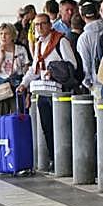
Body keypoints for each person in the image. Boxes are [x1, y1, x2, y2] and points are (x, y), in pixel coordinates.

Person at [17, 14, 81, 167]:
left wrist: (54, 71)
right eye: (36, 25)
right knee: (47, 127)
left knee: (62, 127)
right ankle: (54, 158)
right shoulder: (39, 44)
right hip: (44, 91)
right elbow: (34, 70)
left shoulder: (60, 41)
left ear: (49, 25)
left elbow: (72, 65)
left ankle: (66, 160)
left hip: (60, 91)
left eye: (42, 24)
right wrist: (24, 84)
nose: (39, 28)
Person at [0, 23, 30, 115]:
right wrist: (1, 57)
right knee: (0, 119)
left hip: (18, 87)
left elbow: (27, 73)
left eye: (6, 33)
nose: (3, 36)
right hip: (0, 88)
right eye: (1, 34)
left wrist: (28, 94)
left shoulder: (21, 50)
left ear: (13, 35)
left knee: (19, 118)